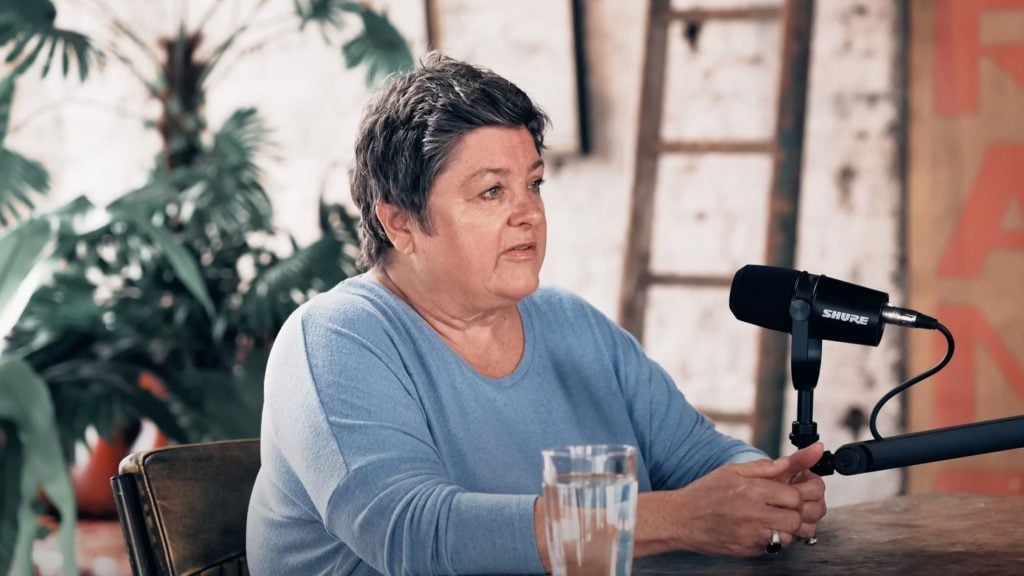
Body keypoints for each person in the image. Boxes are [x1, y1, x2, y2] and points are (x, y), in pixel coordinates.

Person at [246, 52, 827, 575]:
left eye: (534, 184)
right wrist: (678, 519)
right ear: (400, 223)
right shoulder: (332, 340)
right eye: (492, 192)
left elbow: (701, 456)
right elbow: (413, 535)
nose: (529, 214)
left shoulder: (571, 323)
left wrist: (764, 491)